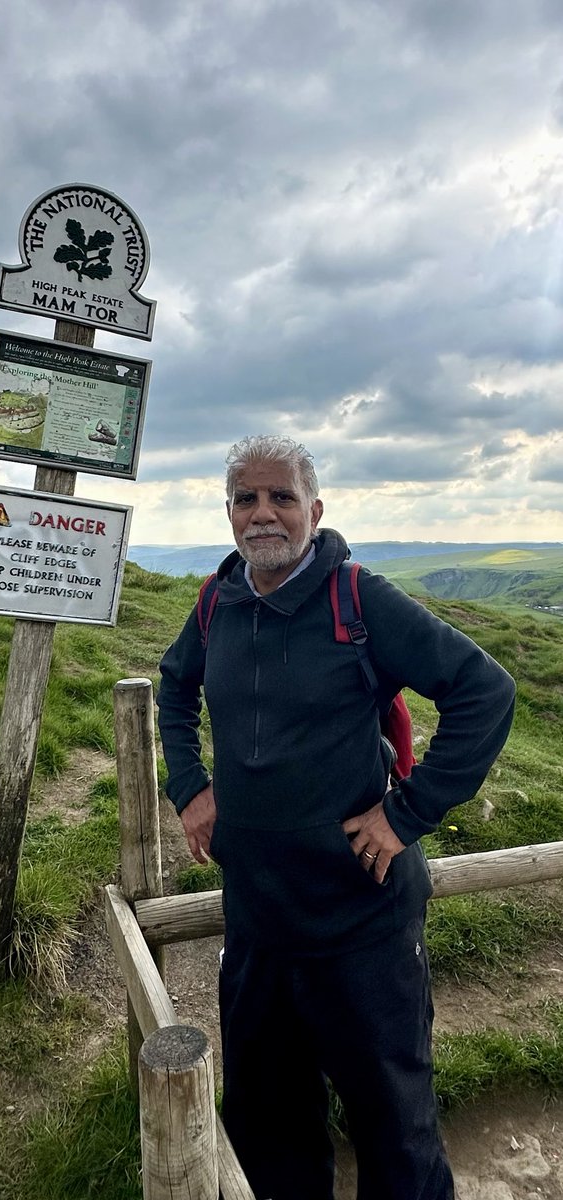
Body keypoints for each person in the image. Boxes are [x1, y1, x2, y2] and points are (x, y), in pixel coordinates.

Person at [156, 434, 516, 1200]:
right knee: (269, 1124)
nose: (263, 514)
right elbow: (174, 685)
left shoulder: (359, 599)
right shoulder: (216, 601)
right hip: (258, 924)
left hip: (363, 920)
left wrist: (406, 814)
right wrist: (189, 786)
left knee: (395, 1128)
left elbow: (485, 691)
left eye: (281, 497)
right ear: (228, 514)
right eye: (246, 499)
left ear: (313, 511)